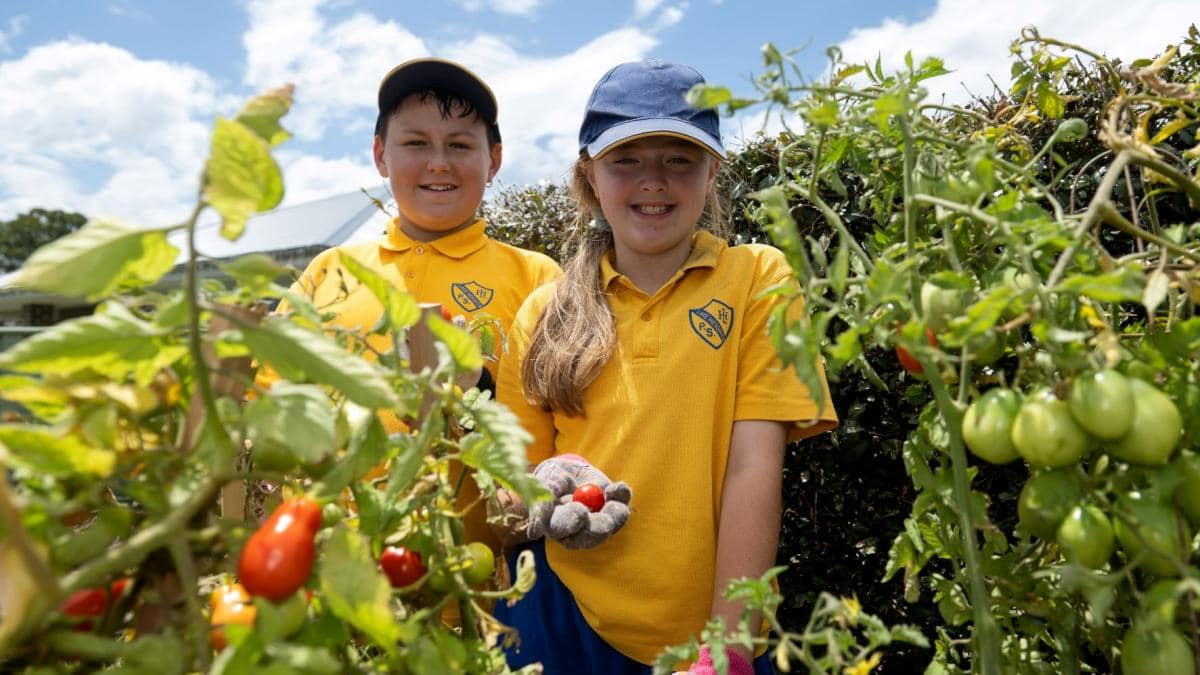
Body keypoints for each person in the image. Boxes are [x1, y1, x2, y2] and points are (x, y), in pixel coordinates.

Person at [492, 59, 839, 675]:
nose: (654, 180)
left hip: (713, 635)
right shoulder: (544, 311)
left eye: (679, 158)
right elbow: (507, 500)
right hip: (564, 618)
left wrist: (727, 646)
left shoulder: (756, 279)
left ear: (713, 173)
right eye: (626, 159)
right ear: (590, 177)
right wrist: (550, 481)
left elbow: (754, 468)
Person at [273, 58, 560, 557]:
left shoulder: (537, 278)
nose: (438, 162)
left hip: (480, 594)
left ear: (493, 160)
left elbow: (556, 434)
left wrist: (476, 397)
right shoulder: (328, 272)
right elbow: (266, 402)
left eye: (460, 145)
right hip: (333, 582)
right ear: (380, 155)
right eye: (415, 143)